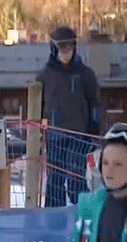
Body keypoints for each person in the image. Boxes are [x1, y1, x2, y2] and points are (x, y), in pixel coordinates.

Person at [36, 26, 102, 207]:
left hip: (78, 135)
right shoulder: (44, 76)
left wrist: (92, 133)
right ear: (54, 49)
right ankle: (51, 220)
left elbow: (95, 104)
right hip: (54, 135)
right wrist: (37, 136)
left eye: (70, 48)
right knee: (54, 181)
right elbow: (36, 109)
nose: (66, 53)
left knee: (76, 179)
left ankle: (82, 214)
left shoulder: (85, 75)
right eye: (62, 48)